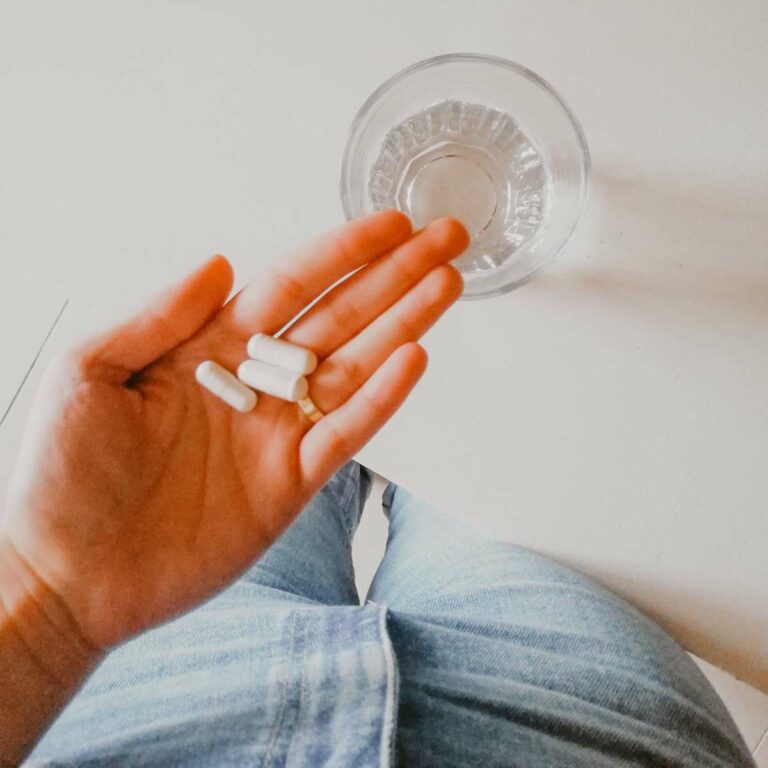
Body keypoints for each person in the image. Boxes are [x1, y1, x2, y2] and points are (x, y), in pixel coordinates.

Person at [0, 212, 754, 767]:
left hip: (141, 690)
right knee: (496, 462)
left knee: (304, 431)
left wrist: (48, 607)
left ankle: (371, 448)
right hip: (562, 722)